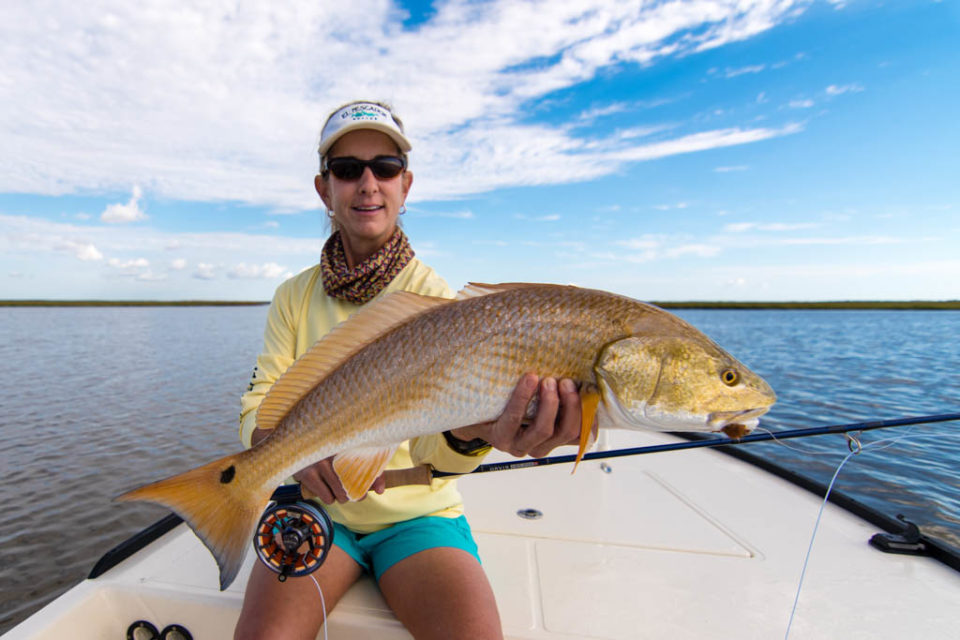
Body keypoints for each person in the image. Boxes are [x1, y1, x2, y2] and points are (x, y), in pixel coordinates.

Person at [233, 101, 584, 640]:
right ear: (324, 189)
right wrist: (286, 458)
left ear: (406, 184)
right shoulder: (293, 297)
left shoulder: (441, 303)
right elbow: (259, 406)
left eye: (386, 167)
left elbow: (434, 455)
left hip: (419, 518)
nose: (368, 182)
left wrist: (472, 436)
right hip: (320, 509)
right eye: (347, 169)